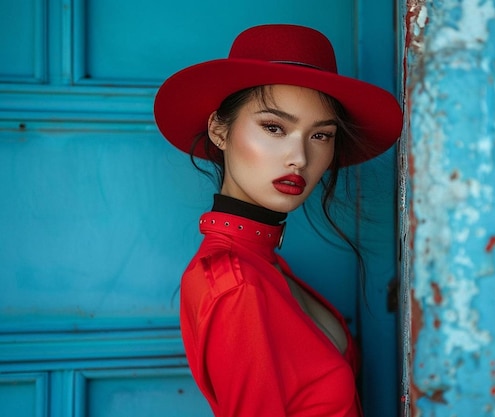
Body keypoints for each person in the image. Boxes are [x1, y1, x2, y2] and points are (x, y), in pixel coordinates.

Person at [153, 24, 402, 417]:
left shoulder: (264, 264)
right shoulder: (236, 283)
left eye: (320, 136)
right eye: (274, 127)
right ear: (219, 129)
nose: (299, 157)